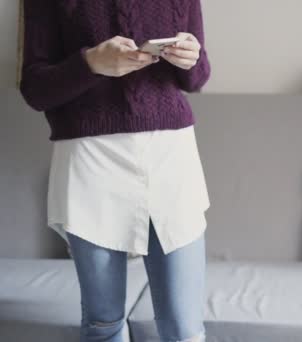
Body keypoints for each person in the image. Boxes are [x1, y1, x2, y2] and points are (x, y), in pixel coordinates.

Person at [19, 1, 212, 341]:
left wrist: (192, 58)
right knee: (103, 323)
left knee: (184, 327)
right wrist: (91, 63)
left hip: (170, 155)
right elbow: (35, 89)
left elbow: (196, 78)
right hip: (91, 156)